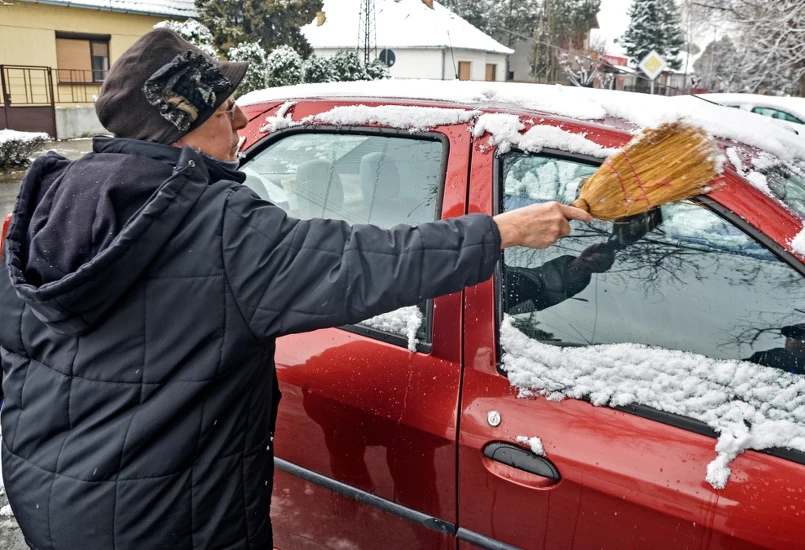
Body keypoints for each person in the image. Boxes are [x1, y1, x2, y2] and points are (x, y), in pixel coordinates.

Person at [0, 29, 591, 550]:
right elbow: (365, 263)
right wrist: (502, 231)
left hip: (49, 500)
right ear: (181, 126)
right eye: (225, 109)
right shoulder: (220, 227)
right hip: (165, 523)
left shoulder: (47, 208)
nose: (240, 122)